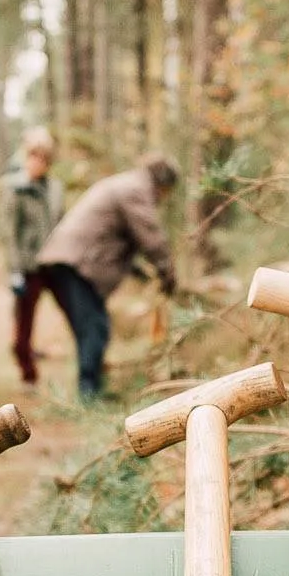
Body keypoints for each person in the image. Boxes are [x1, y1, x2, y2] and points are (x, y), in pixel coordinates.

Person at [31, 151, 176, 401]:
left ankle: (92, 387)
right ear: (162, 182)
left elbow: (112, 235)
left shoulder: (126, 184)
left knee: (92, 327)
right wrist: (168, 272)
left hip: (69, 259)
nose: (164, 198)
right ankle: (89, 394)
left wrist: (139, 271)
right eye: (166, 191)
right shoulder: (135, 189)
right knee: (95, 327)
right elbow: (150, 237)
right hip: (77, 263)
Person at [5, 127, 64, 385]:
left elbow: (61, 222)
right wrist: (15, 270)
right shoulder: (16, 190)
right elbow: (10, 234)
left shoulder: (55, 189)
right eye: (32, 157)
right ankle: (27, 372)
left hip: (53, 263)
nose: (36, 163)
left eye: (41, 159)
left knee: (75, 309)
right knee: (24, 323)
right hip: (28, 265)